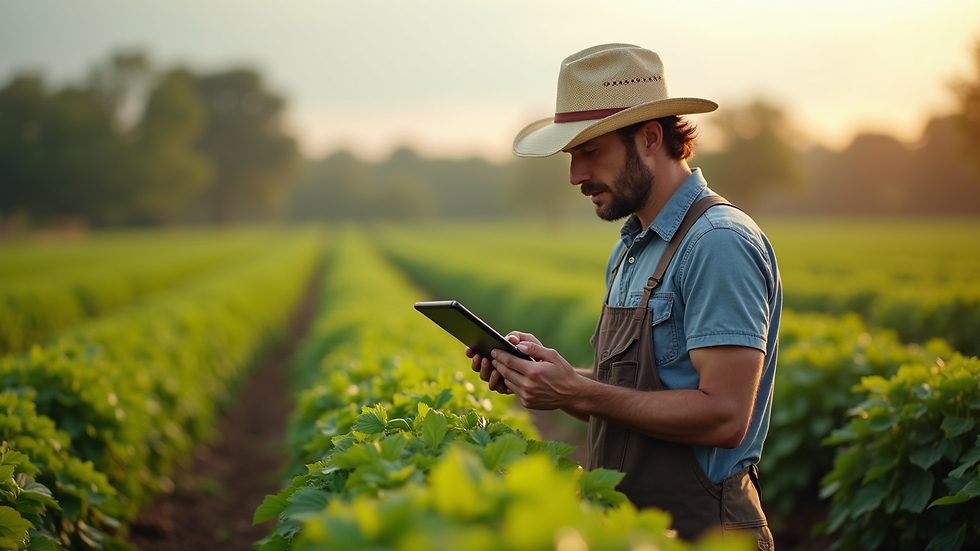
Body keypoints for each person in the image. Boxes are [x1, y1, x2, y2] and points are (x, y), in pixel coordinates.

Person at [466, 43, 781, 549]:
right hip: (631, 531)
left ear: (650, 137)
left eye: (591, 152)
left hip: (707, 532)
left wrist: (579, 391)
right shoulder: (631, 250)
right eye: (572, 156)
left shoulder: (718, 242)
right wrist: (551, 376)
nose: (576, 176)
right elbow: (631, 399)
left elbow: (724, 415)